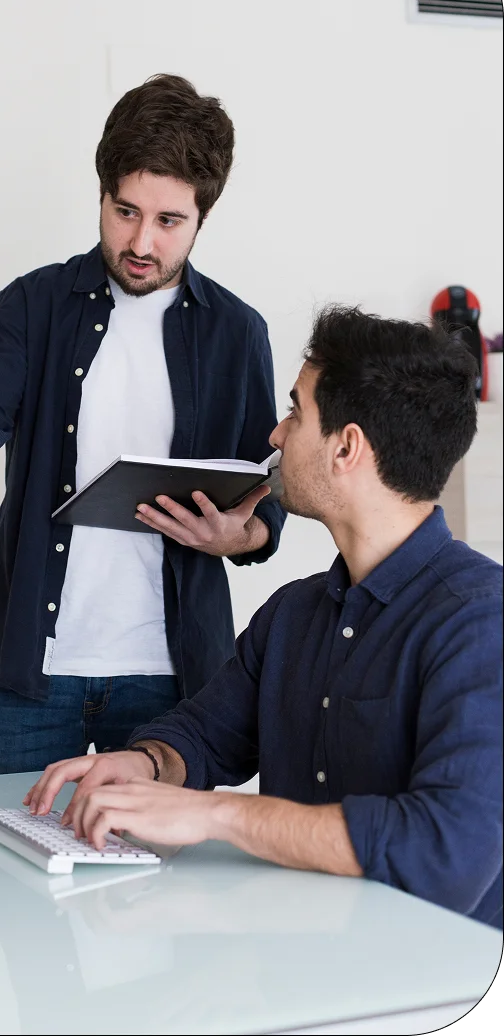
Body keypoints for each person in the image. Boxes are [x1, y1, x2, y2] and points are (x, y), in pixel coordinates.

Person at [26, 306, 503, 928]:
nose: (277, 436)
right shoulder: (293, 614)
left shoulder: (479, 623)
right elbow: (203, 737)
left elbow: (447, 851)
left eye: (296, 411)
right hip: (298, 960)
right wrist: (142, 764)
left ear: (347, 447)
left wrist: (217, 814)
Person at [0, 74, 286, 777]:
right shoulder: (34, 303)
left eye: (169, 221)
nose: (140, 241)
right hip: (25, 673)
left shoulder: (238, 332)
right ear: (102, 194)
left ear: (203, 218)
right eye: (124, 211)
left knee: (161, 887)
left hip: (170, 686)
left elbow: (270, 484)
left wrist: (245, 533)